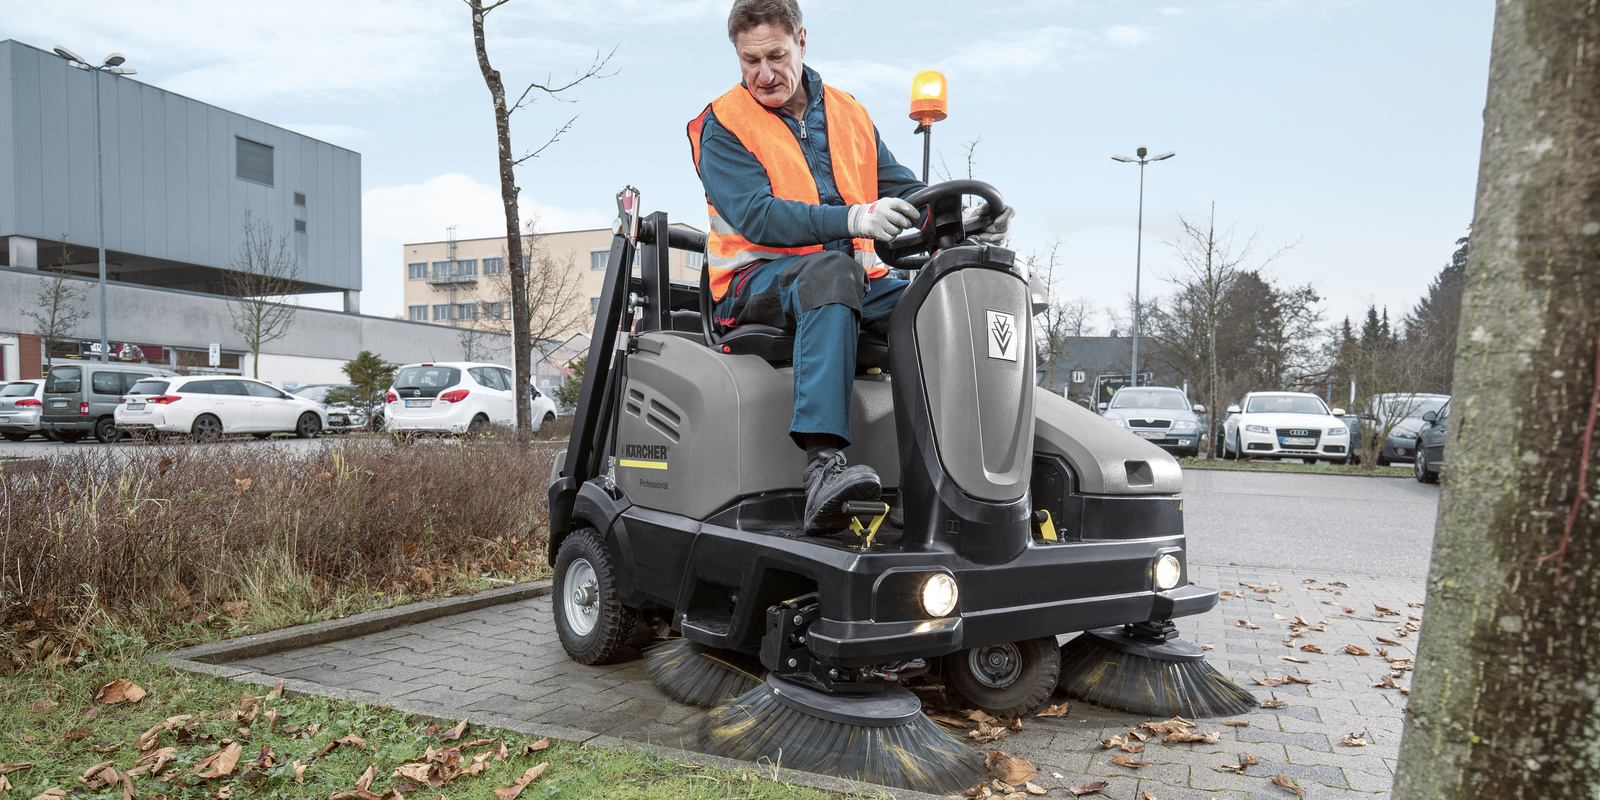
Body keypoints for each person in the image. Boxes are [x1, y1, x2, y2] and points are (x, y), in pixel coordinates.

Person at [688, 0, 1013, 534]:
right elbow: (757, 215)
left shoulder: (848, 113)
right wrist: (855, 218)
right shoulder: (721, 125)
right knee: (831, 274)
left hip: (848, 283)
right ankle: (822, 469)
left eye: (775, 55)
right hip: (755, 285)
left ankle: (945, 473)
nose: (763, 74)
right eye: (750, 62)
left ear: (802, 41)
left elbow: (907, 189)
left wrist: (967, 218)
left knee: (933, 300)